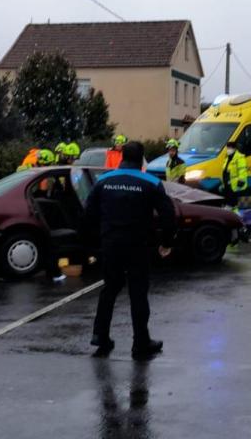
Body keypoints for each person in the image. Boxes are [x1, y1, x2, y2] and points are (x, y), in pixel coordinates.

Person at [85, 141, 176, 358]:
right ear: (141, 160)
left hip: (111, 243)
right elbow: (168, 214)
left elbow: (89, 212)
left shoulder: (104, 180)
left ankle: (100, 335)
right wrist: (166, 242)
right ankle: (140, 343)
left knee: (110, 288)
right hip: (137, 245)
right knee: (138, 292)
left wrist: (95, 240)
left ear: (122, 157)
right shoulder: (151, 182)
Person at [218, 140, 248, 213]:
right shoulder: (227, 158)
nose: (228, 150)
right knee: (229, 200)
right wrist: (222, 183)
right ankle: (232, 214)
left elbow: (242, 170)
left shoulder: (239, 157)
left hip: (234, 184)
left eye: (230, 148)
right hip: (227, 183)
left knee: (233, 202)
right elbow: (225, 171)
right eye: (228, 148)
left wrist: (241, 180)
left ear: (234, 149)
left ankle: (235, 216)